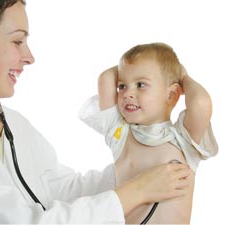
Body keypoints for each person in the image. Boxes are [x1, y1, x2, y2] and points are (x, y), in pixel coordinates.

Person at [0, 1, 191, 223]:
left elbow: (61, 189)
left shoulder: (13, 124)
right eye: (17, 41)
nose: (29, 56)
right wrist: (138, 190)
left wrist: (139, 165)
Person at [79, 43, 218, 224]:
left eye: (141, 85)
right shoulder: (120, 134)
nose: (128, 93)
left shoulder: (183, 140)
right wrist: (135, 67)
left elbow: (200, 103)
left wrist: (182, 75)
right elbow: (106, 79)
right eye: (122, 86)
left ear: (171, 95)